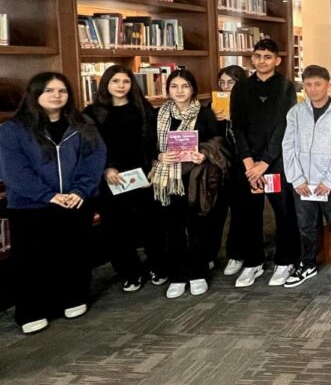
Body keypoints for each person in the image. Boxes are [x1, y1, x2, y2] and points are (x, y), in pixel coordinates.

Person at [0, 72, 106, 334]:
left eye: (62, 91)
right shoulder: (12, 129)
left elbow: (93, 159)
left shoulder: (83, 123)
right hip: (31, 205)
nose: (57, 95)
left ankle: (73, 297)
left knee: (74, 253)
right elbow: (13, 170)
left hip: (75, 200)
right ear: (35, 94)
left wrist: (80, 190)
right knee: (32, 259)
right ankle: (31, 310)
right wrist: (47, 195)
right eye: (49, 91)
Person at [84, 65, 163, 292]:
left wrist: (154, 165)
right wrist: (106, 169)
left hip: (144, 176)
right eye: (115, 81)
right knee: (117, 227)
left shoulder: (143, 108)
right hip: (111, 179)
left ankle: (157, 265)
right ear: (106, 84)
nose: (121, 86)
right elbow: (90, 147)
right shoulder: (92, 113)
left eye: (126, 81)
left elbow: (154, 141)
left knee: (152, 224)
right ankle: (131, 272)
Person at [150, 69, 225, 299]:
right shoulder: (158, 114)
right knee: (172, 229)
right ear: (168, 90)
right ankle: (177, 275)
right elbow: (146, 145)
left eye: (185, 86)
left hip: (195, 178)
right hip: (167, 181)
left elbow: (217, 141)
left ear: (193, 89)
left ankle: (197, 273)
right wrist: (159, 156)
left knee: (198, 227)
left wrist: (203, 154)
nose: (180, 91)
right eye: (174, 86)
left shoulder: (204, 113)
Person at [230, 39, 299, 288]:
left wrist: (266, 162)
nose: (262, 61)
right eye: (258, 56)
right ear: (252, 58)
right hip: (248, 163)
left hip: (276, 161)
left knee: (283, 212)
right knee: (249, 213)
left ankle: (285, 261)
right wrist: (249, 162)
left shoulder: (286, 87)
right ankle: (253, 262)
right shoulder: (241, 88)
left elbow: (284, 126)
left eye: (268, 57)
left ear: (277, 60)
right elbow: (237, 126)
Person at [281, 65, 331, 290]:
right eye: (308, 85)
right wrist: (297, 178)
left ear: (328, 85)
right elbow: (288, 146)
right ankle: (308, 264)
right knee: (306, 226)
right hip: (303, 182)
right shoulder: (296, 112)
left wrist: (329, 180)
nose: (313, 89)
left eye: (318, 84)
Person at [208, 65, 247, 276]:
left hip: (241, 166)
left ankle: (236, 253)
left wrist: (234, 120)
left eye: (230, 82)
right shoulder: (211, 106)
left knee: (239, 211)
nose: (225, 87)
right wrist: (213, 120)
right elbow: (207, 137)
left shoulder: (248, 105)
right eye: (222, 83)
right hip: (218, 167)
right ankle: (210, 253)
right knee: (215, 211)